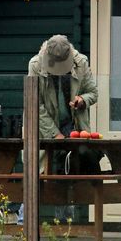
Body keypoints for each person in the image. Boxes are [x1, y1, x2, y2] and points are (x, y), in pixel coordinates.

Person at [20, 34, 99, 224]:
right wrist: (54, 133)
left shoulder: (81, 63)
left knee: (66, 170)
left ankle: (64, 221)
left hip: (71, 124)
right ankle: (25, 220)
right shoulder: (35, 65)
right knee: (37, 170)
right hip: (40, 125)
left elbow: (93, 92)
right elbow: (35, 105)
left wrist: (82, 101)